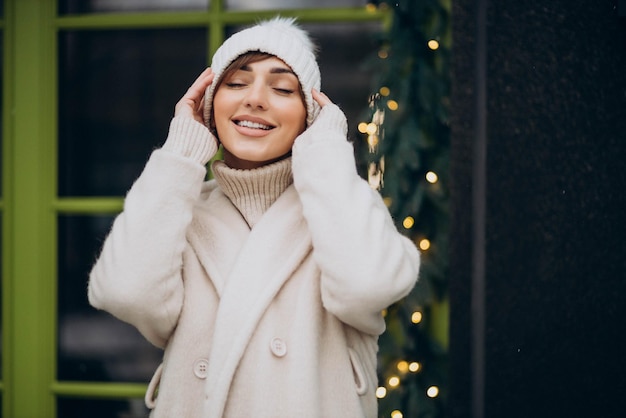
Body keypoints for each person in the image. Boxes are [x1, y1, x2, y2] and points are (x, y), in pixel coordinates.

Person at [88, 17, 420, 418]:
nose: (256, 98)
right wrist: (180, 153)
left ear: (309, 116)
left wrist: (326, 150)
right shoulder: (178, 210)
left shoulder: (341, 207)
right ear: (210, 106)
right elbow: (124, 292)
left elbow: (368, 285)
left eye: (282, 88)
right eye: (236, 83)